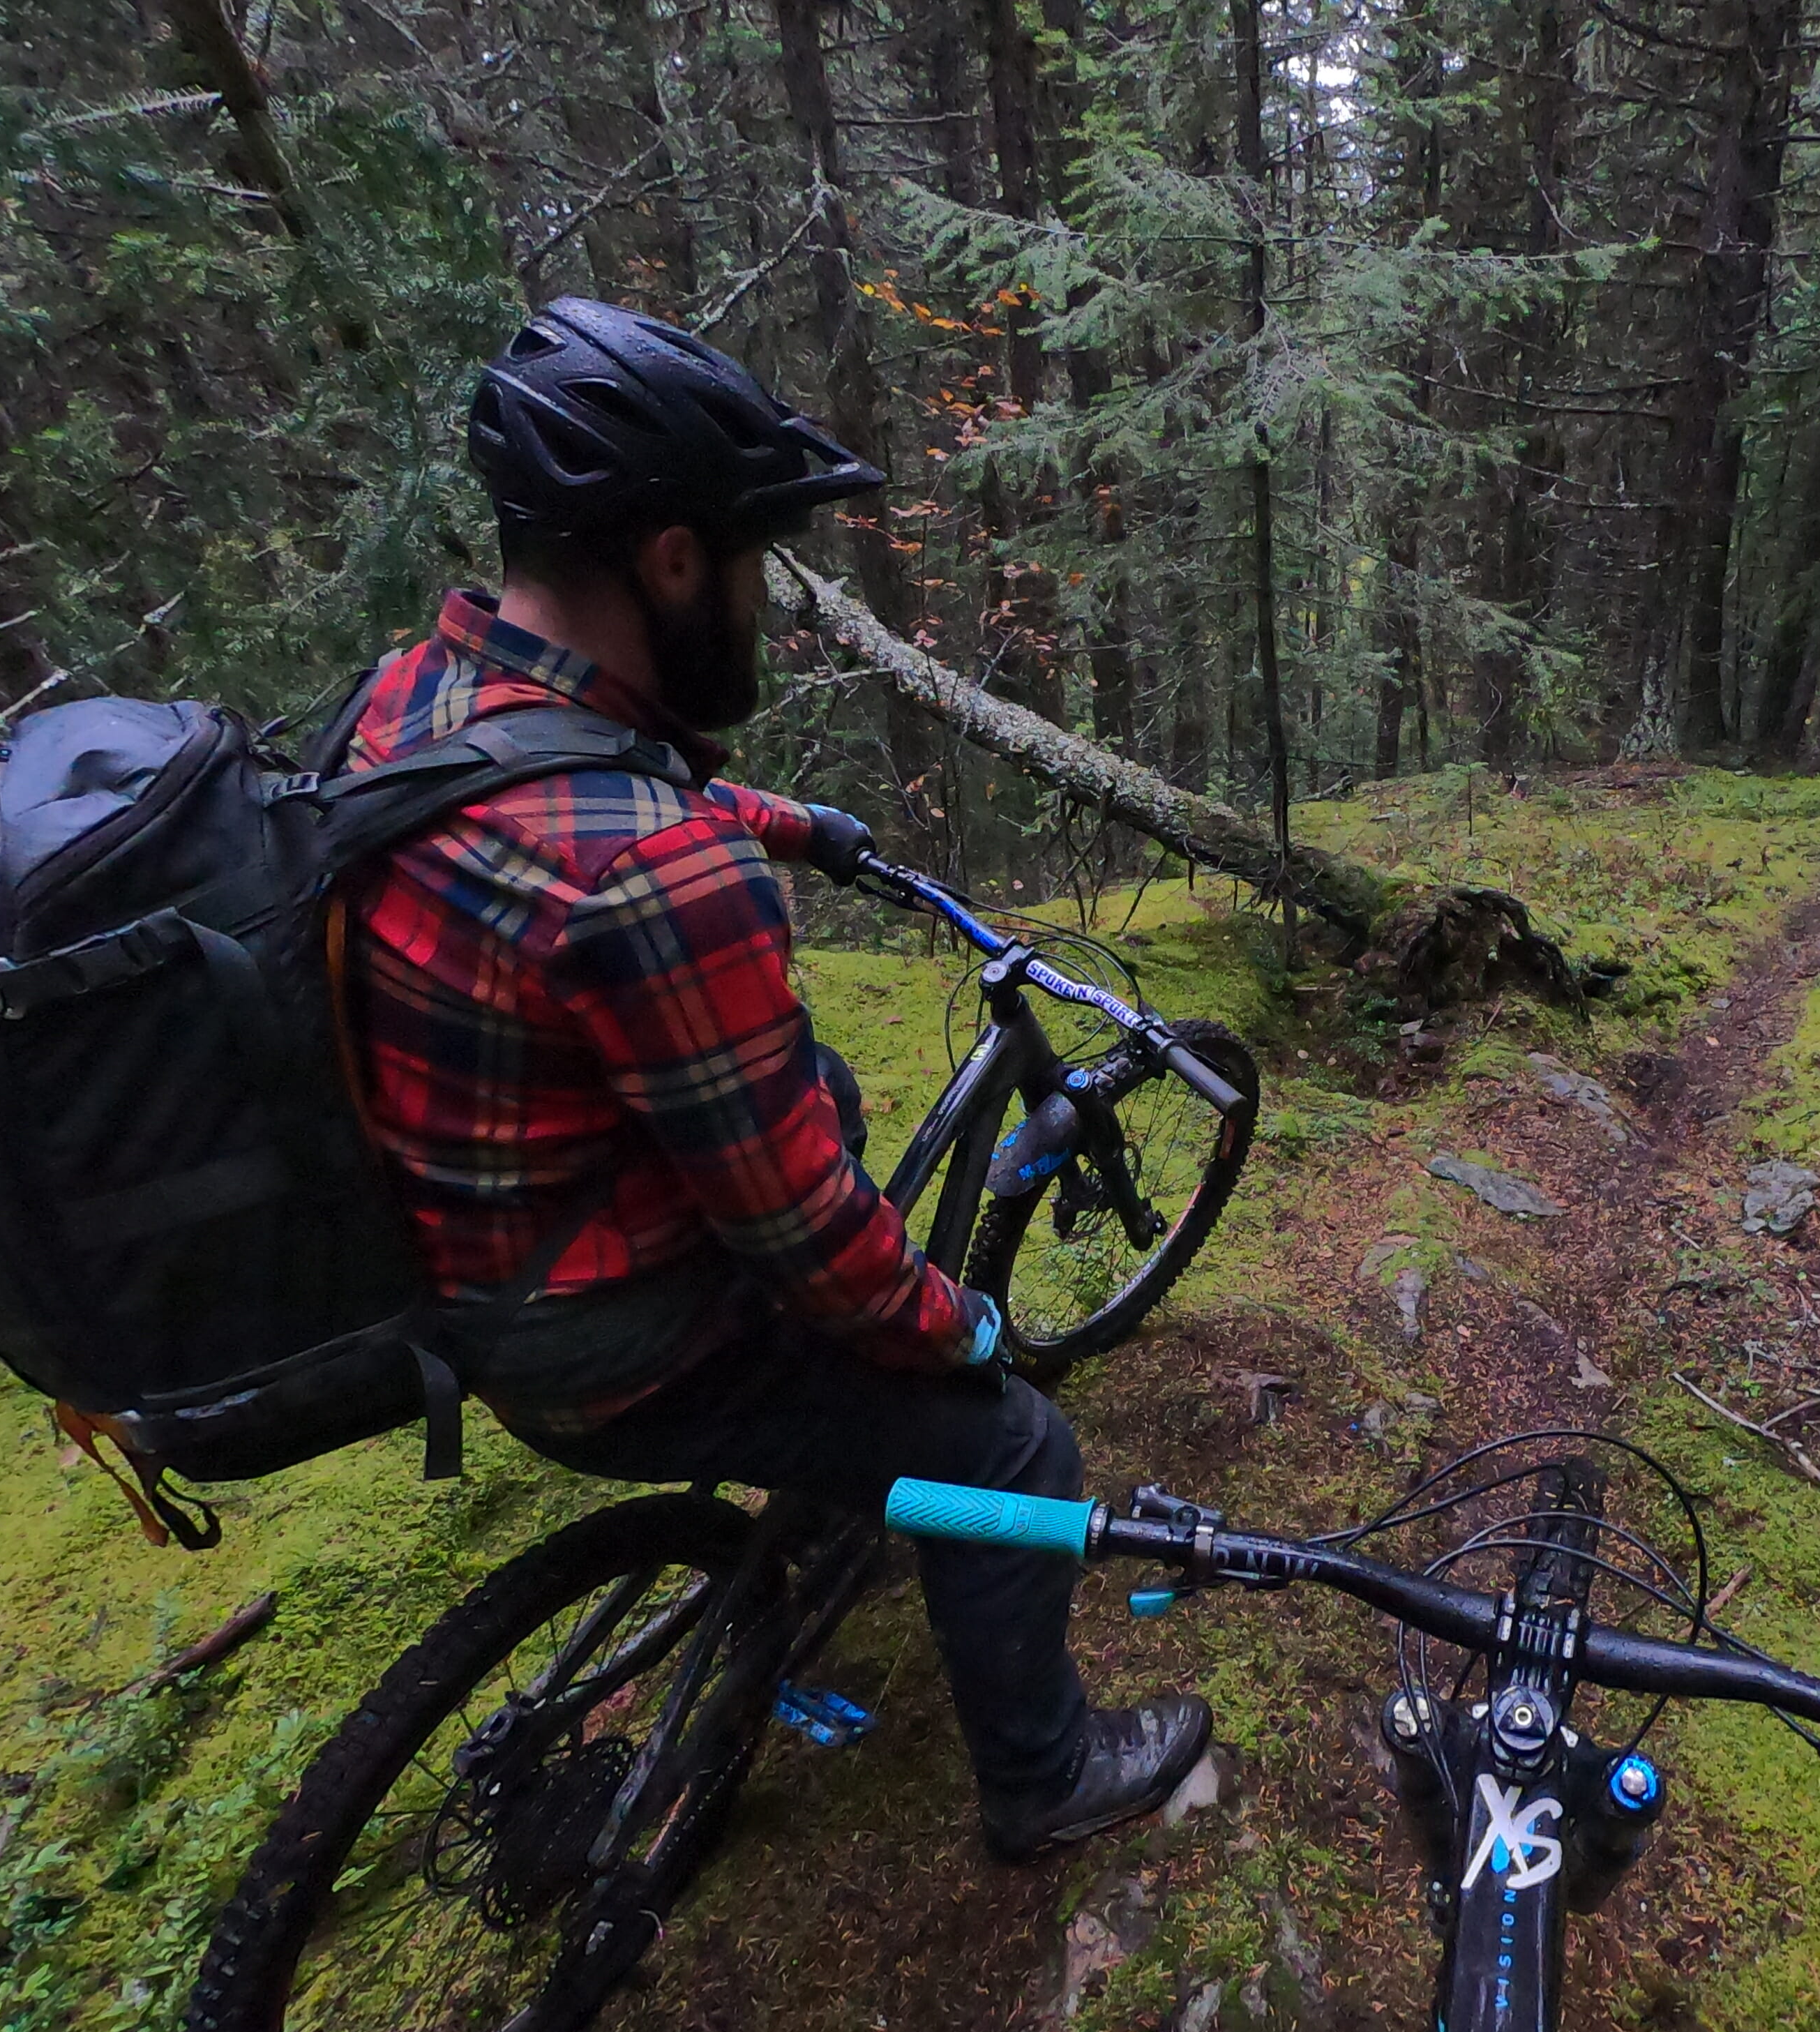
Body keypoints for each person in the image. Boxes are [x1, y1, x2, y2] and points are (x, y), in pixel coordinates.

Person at [337, 297, 1208, 1862]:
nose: (761, 606)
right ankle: (1045, 1777)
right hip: (606, 1344)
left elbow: (562, 782)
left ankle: (835, 1493)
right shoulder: (660, 878)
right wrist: (964, 1331)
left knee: (826, 1088)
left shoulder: (410, 700)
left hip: (450, 1261)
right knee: (1014, 1447)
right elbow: (812, 1241)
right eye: (752, 567)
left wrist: (792, 822)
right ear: (674, 562)